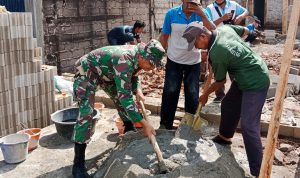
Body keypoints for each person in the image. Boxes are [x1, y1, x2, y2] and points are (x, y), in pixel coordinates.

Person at [182, 22, 270, 177]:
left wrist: (205, 94)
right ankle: (225, 137)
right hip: (246, 74)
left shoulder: (217, 52)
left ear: (203, 36)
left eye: (196, 43)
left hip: (255, 81)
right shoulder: (223, 28)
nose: (196, 47)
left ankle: (259, 172)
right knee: (228, 105)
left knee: (249, 126)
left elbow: (220, 81)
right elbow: (244, 30)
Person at [72, 39, 165, 178]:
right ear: (142, 56)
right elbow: (125, 97)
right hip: (88, 71)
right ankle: (78, 164)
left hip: (107, 74)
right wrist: (144, 124)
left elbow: (134, 75)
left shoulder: (138, 56)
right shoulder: (124, 59)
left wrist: (138, 90)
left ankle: (129, 131)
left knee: (121, 102)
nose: (152, 69)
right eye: (151, 64)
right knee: (87, 114)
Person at [159, 0, 215, 130]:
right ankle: (166, 124)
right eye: (190, 2)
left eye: (196, 2)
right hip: (174, 59)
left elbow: (212, 32)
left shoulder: (202, 13)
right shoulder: (171, 14)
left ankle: (189, 125)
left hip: (193, 61)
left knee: (192, 93)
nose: (193, 5)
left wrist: (202, 15)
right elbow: (164, 36)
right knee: (170, 92)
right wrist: (159, 55)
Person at [206, 0, 249, 102]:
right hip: (217, 42)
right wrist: (222, 19)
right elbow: (208, 25)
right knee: (218, 69)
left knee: (234, 68)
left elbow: (246, 11)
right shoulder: (209, 8)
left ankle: (236, 94)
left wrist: (241, 17)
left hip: (232, 41)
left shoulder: (233, 4)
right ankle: (220, 95)